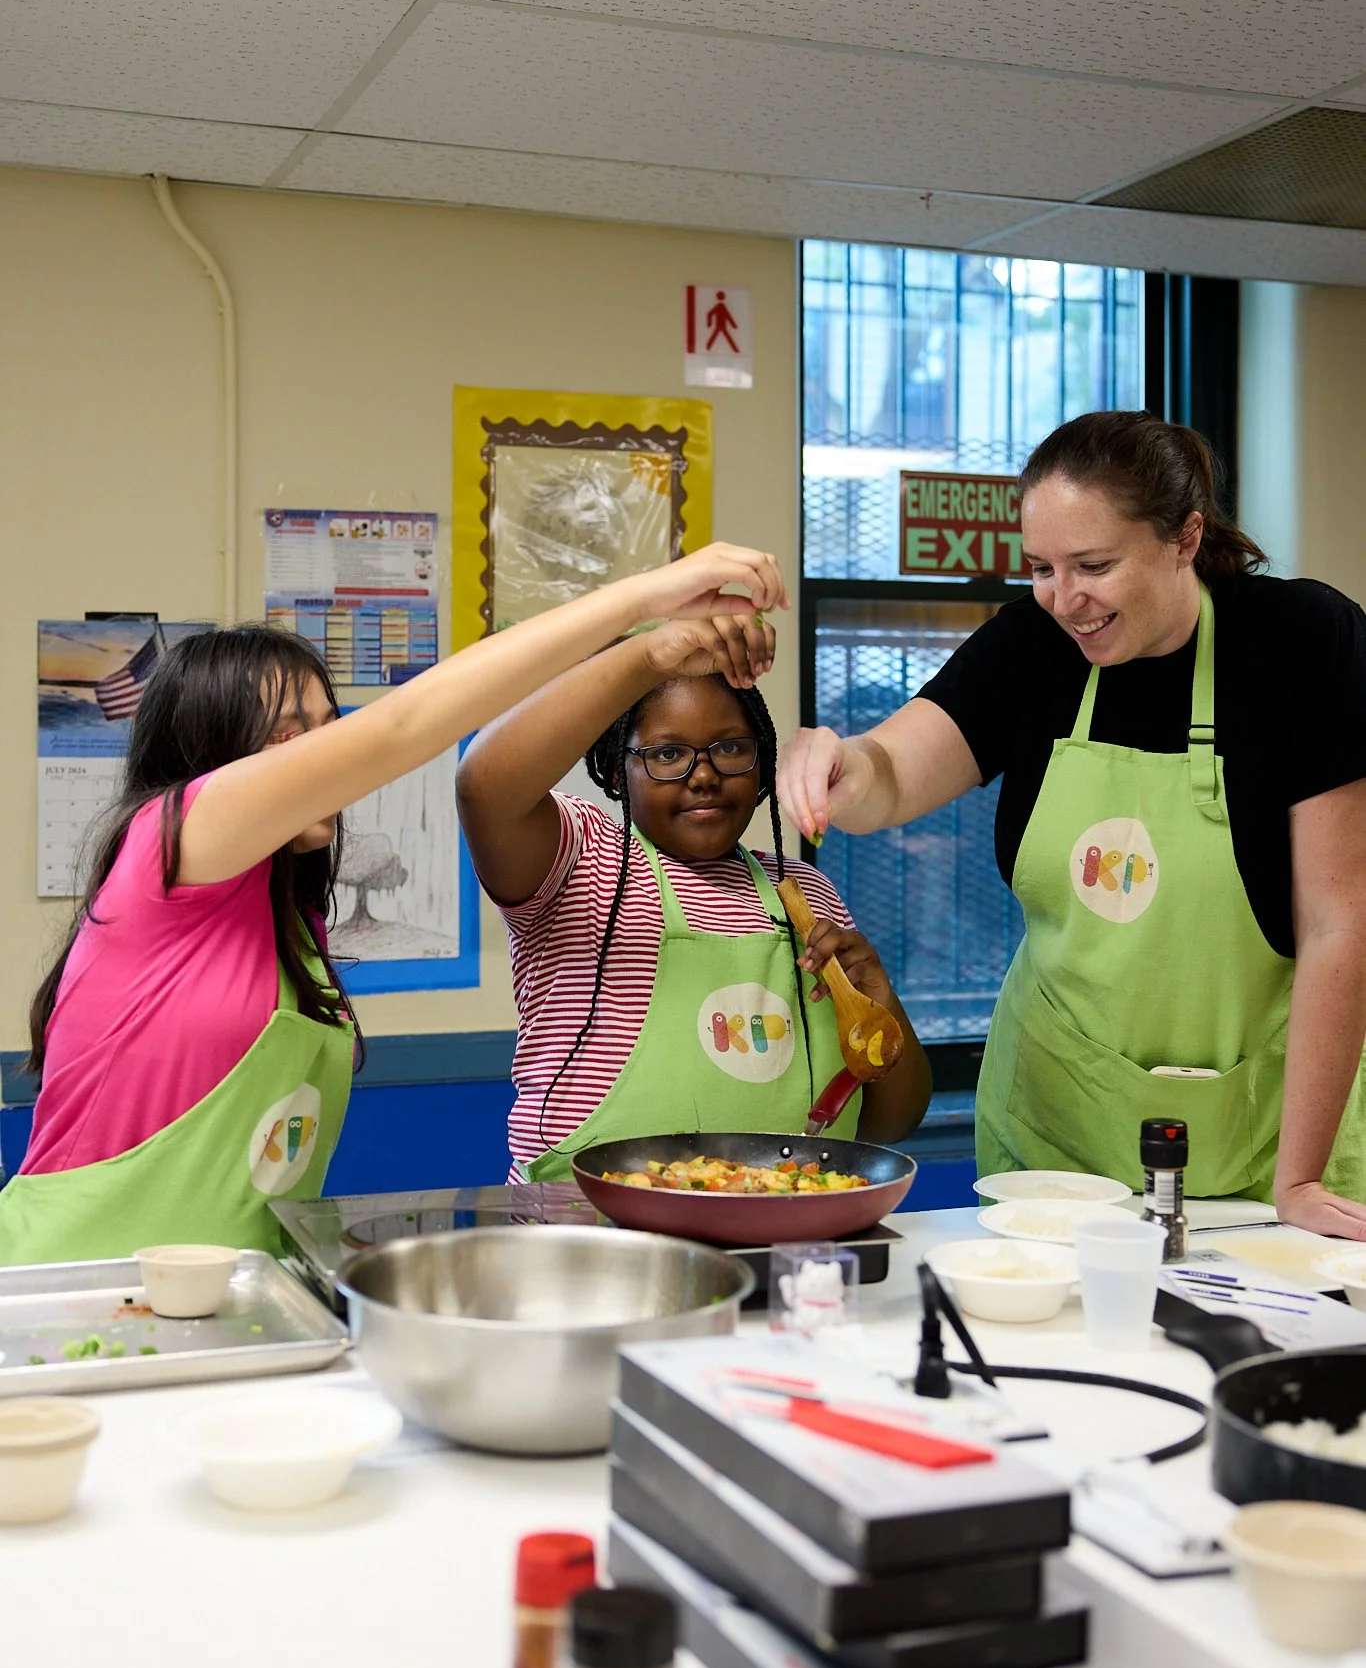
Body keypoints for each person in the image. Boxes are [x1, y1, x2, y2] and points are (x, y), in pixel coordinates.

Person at [1, 543, 787, 1263]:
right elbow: (407, 724)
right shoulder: (167, 845)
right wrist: (646, 617)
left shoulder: (291, 925)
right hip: (78, 1282)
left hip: (231, 1288)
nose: (325, 756)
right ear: (208, 755)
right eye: (287, 736)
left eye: (325, 728)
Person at [779, 410, 1366, 1239]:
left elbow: (1341, 925)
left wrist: (1299, 1177)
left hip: (1270, 1133)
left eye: (1094, 565)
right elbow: (894, 774)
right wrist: (842, 764)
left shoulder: (1301, 641)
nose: (1065, 600)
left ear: (1185, 537)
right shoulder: (1034, 645)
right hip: (1058, 1138)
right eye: (1041, 569)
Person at [456, 610, 930, 1180]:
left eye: (729, 748)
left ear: (761, 762)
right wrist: (645, 658)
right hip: (586, 1223)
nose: (703, 775)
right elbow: (484, 786)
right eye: (666, 754)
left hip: (778, 1221)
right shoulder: (580, 861)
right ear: (617, 770)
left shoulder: (804, 893)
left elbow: (888, 1122)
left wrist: (878, 1001)